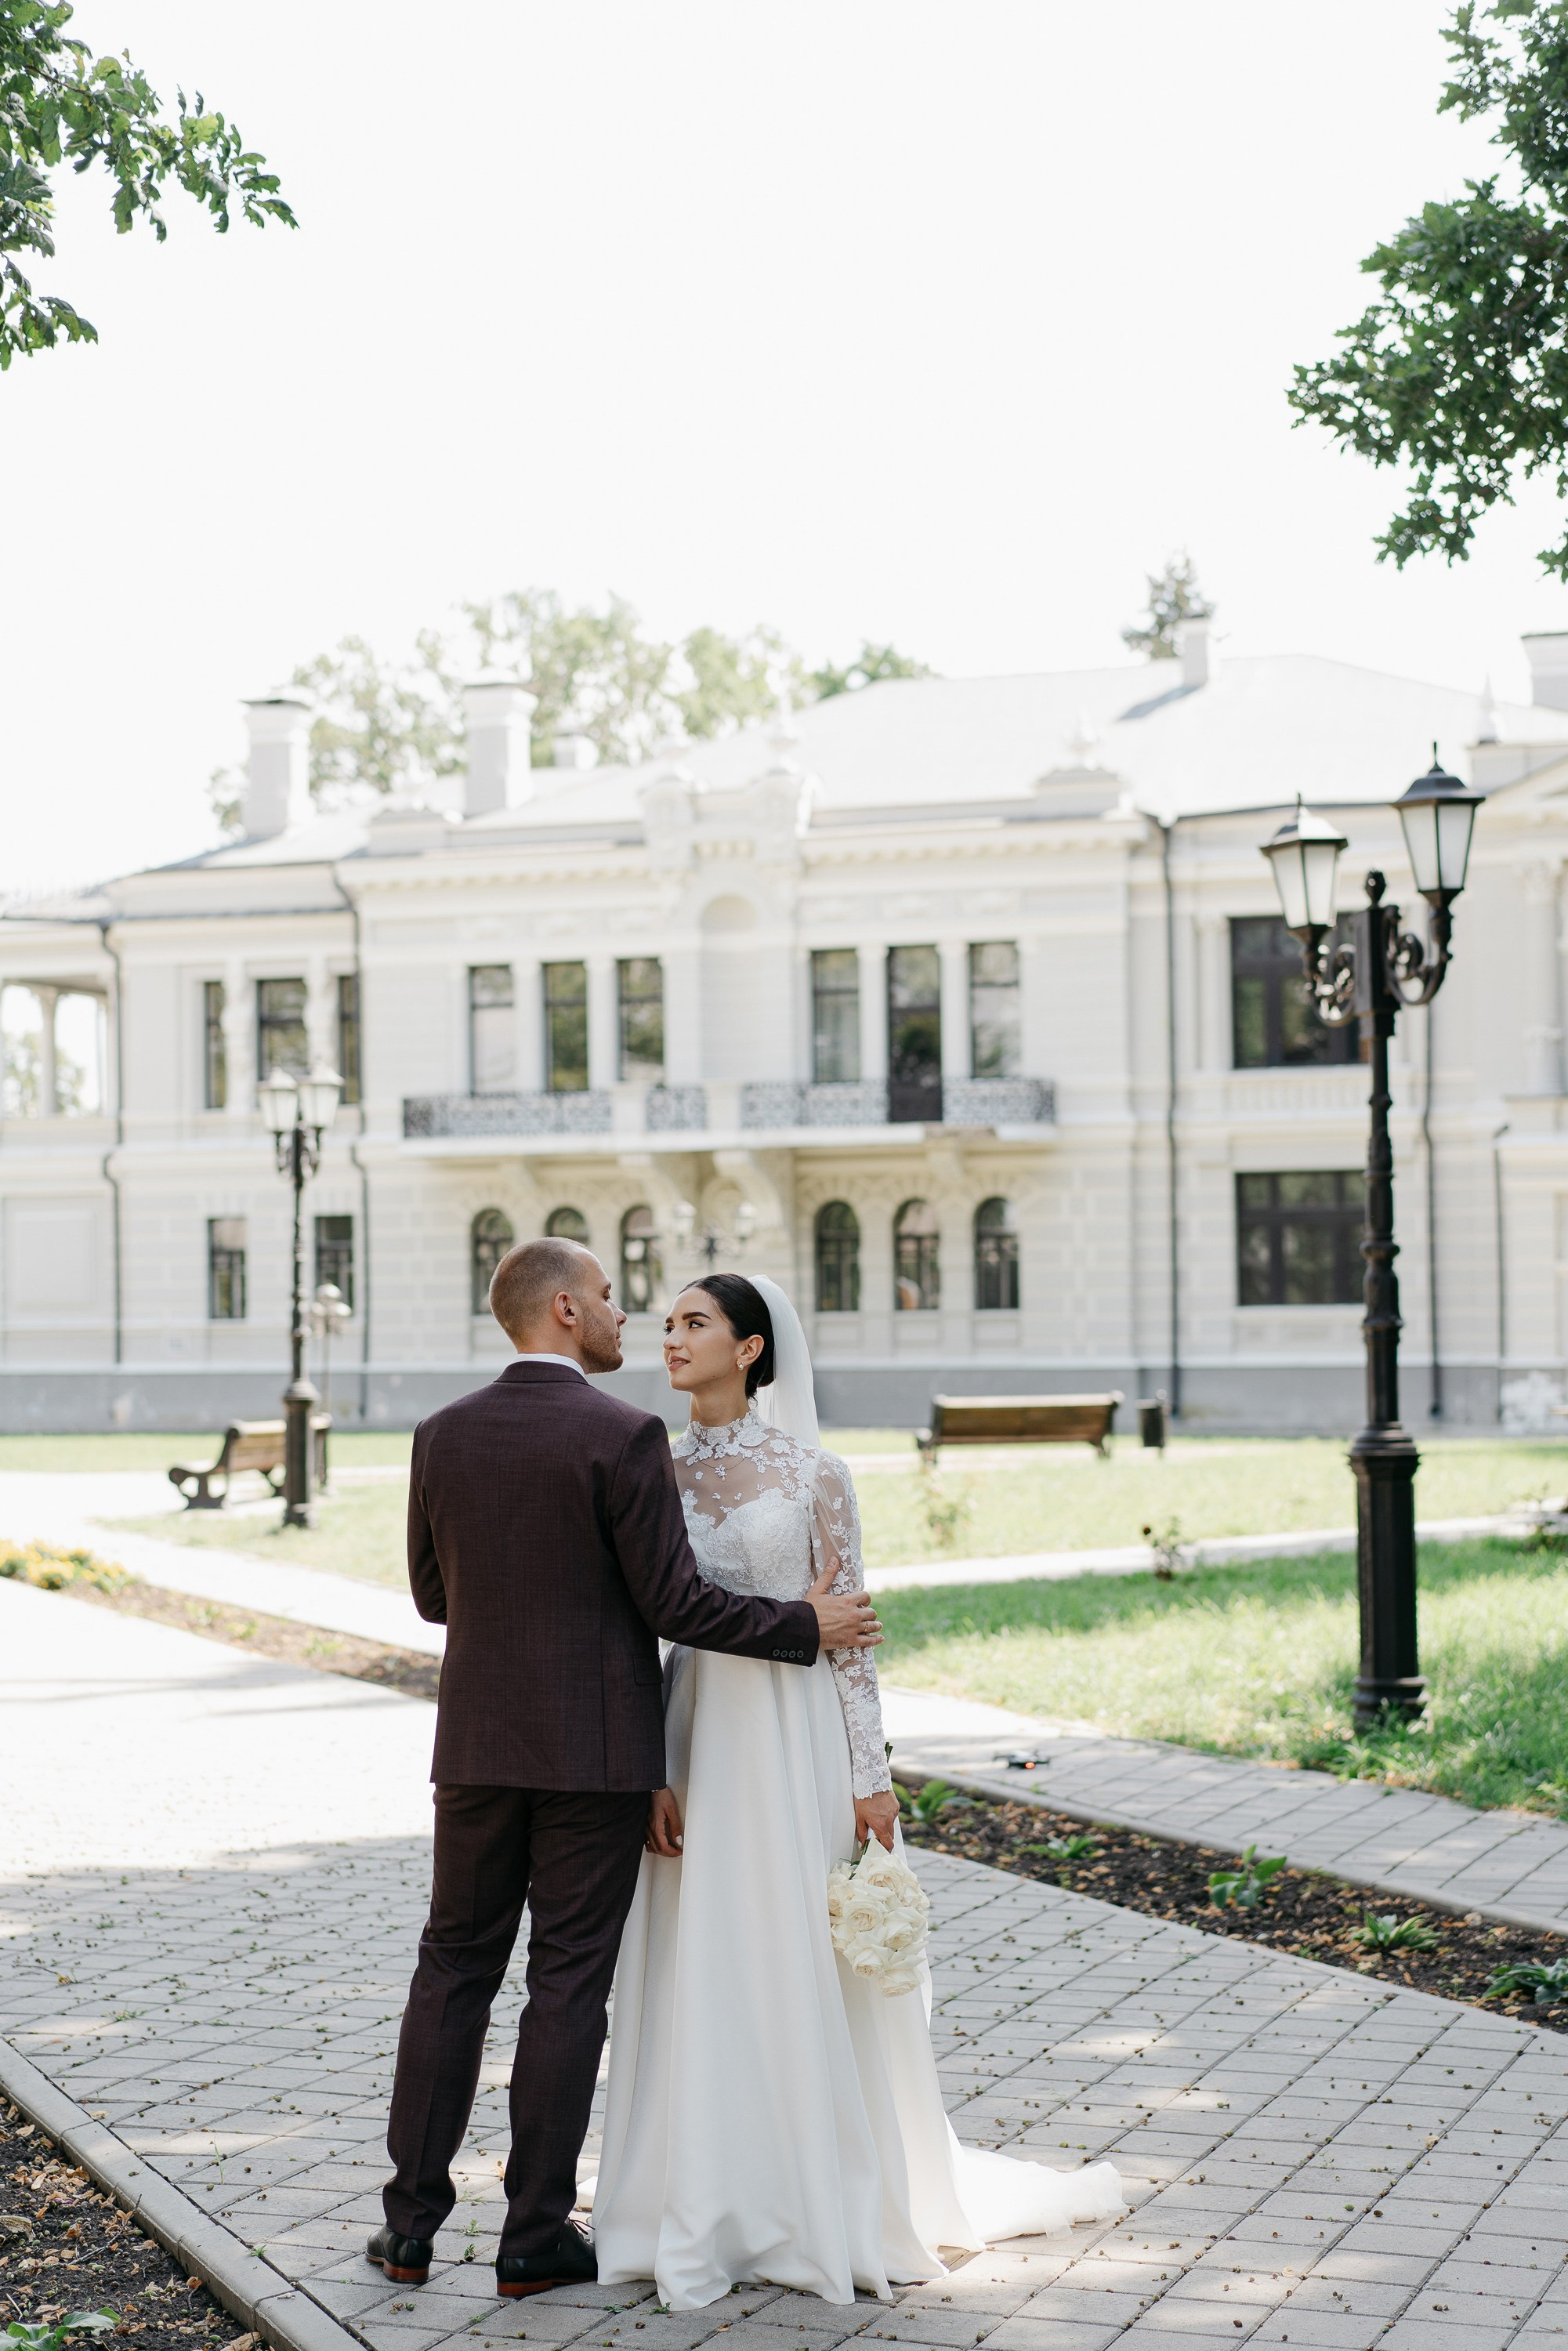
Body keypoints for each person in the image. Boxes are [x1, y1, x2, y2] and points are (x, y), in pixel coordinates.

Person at [589, 1272, 1124, 2309]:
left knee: (794, 1947)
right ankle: (699, 2192)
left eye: (694, 1323)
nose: (671, 1340)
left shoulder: (814, 1472)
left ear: (750, 1348)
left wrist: (871, 1777)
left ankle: (814, 2192)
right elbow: (638, 1625)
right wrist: (650, 1766)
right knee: (701, 1952)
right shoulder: (645, 1465)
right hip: (694, 1726)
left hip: (793, 1742)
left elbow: (852, 1641)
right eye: (665, 1325)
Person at [367, 1238, 885, 2302]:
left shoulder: (441, 1433)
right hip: (597, 1754)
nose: (623, 1317)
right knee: (565, 1984)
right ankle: (531, 2240)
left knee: (452, 1968)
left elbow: (431, 1596)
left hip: (475, 1748)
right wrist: (805, 1622)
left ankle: (409, 2229)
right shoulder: (622, 1434)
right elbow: (674, 1606)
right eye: (606, 1298)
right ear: (563, 1309)